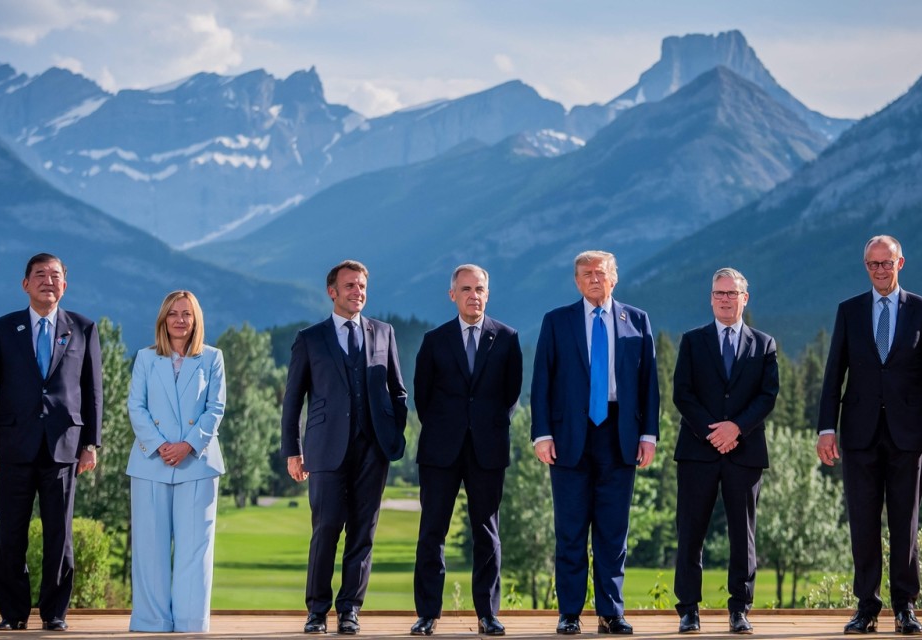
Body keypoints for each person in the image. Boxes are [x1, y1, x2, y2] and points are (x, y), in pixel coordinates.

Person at [817, 235, 922, 636]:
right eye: (872, 264)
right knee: (862, 524)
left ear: (900, 263)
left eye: (886, 263)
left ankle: (905, 607)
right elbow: (832, 374)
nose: (879, 270)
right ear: (866, 266)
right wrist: (827, 428)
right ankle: (866, 608)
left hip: (909, 437)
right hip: (858, 436)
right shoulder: (849, 310)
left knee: (905, 523)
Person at [531, 250, 660, 635]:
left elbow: (649, 383)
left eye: (600, 273)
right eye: (585, 274)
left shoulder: (637, 320)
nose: (593, 279)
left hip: (619, 434)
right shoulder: (557, 322)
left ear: (614, 278)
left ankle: (611, 612)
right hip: (569, 437)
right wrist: (542, 434)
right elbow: (542, 382)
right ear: (576, 281)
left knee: (612, 531)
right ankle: (569, 612)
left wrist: (649, 435)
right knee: (570, 530)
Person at [0, 253, 102, 632]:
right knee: (11, 531)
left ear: (66, 284)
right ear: (25, 284)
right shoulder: (1, 328)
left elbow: (93, 391)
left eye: (56, 275)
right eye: (40, 274)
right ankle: (12, 614)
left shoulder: (83, 328)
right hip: (13, 445)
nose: (48, 280)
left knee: (59, 535)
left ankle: (54, 612)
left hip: (65, 446)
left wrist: (91, 444)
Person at [281, 259, 409, 635]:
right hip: (324, 449)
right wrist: (293, 450)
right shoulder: (310, 338)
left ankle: (350, 609)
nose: (358, 292)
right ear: (332, 291)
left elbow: (398, 390)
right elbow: (293, 400)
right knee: (326, 529)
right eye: (350, 285)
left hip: (374, 449)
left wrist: (393, 433)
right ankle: (317, 611)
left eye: (362, 286)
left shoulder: (383, 333)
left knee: (363, 532)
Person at [410, 265, 523, 637]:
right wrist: (448, 427)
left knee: (487, 534)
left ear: (487, 294)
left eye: (479, 289)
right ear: (452, 295)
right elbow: (423, 398)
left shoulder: (507, 338)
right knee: (432, 532)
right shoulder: (434, 340)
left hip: (487, 450)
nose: (473, 295)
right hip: (440, 450)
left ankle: (487, 614)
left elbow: (511, 395)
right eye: (466, 289)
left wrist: (485, 427)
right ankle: (428, 613)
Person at [672, 267, 779, 635]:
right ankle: (688, 610)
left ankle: (740, 609)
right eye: (719, 293)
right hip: (697, 452)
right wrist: (711, 432)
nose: (725, 299)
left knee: (742, 534)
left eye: (732, 294)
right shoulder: (692, 341)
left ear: (745, 299)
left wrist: (737, 428)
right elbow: (682, 393)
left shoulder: (764, 344)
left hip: (744, 450)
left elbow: (767, 395)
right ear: (711, 298)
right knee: (690, 532)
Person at [125, 290, 226, 633]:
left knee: (194, 549)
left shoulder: (212, 358)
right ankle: (151, 621)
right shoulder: (145, 358)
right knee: (149, 548)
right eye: (173, 313)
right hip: (151, 461)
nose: (180, 319)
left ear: (196, 320)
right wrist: (160, 445)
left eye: (187, 313)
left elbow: (216, 408)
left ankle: (190, 622)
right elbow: (135, 406)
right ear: (163, 320)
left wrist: (188, 445)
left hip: (198, 462)